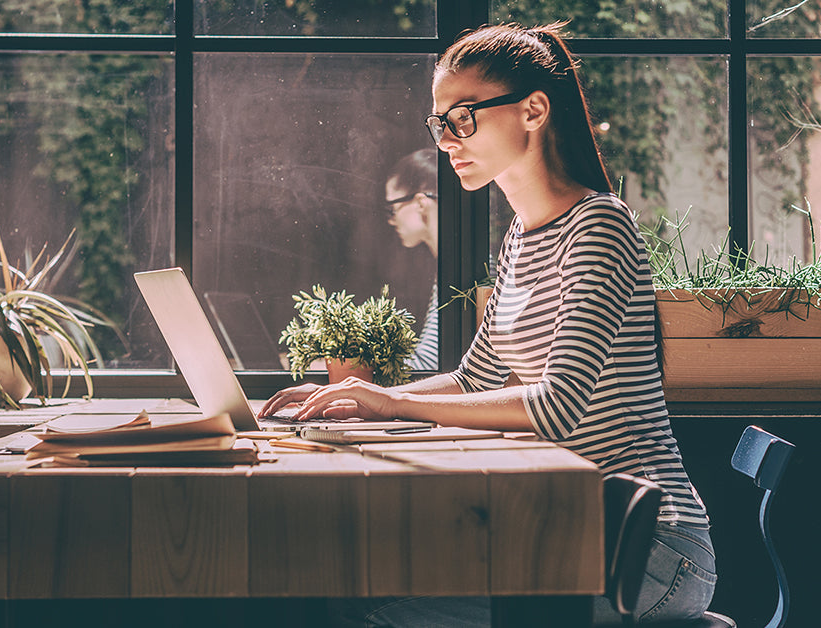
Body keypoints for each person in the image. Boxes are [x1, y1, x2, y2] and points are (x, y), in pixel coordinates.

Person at [259, 22, 716, 626]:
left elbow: (556, 407)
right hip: (563, 529)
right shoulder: (521, 239)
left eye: (464, 116)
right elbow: (478, 377)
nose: (448, 139)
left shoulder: (600, 227)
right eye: (439, 121)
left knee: (375, 616)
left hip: (648, 548)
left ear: (533, 111)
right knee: (349, 591)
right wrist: (355, 399)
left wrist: (390, 406)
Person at [384, 149, 440, 370]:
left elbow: (429, 366)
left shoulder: (459, 273)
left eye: (393, 208)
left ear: (420, 203)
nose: (391, 220)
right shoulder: (448, 268)